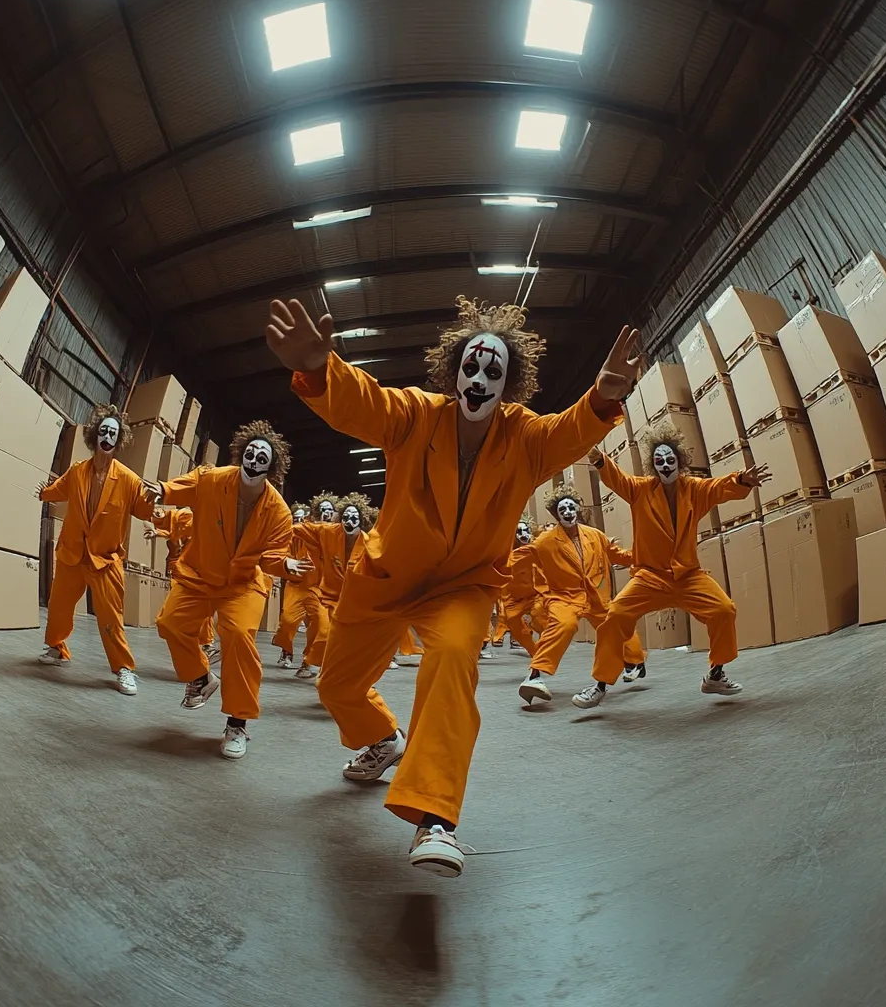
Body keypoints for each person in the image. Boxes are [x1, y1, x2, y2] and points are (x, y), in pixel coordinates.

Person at [265, 294, 639, 877]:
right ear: (453, 370)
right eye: (472, 365)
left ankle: (436, 822)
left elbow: (572, 431)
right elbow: (364, 404)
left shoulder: (526, 438)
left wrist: (605, 396)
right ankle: (382, 738)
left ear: (509, 382)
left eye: (494, 370)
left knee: (452, 656)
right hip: (385, 580)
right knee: (337, 687)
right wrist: (320, 369)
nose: (481, 377)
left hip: (464, 587)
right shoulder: (416, 415)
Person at [574, 424, 770, 710]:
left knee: (723, 610)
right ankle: (600, 684)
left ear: (680, 461)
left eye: (669, 460)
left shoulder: (694, 489)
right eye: (659, 462)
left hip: (688, 576)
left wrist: (742, 479)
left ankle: (715, 675)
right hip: (650, 577)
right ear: (653, 467)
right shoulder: (640, 490)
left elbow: (718, 487)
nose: (665, 465)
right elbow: (617, 479)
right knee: (614, 616)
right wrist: (598, 458)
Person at [150, 421, 304, 760]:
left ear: (271, 466)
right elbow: (186, 486)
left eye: (262, 456)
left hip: (243, 584)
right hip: (201, 574)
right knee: (170, 623)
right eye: (250, 452)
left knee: (237, 634)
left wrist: (285, 567)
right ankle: (201, 677)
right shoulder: (215, 479)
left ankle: (238, 722)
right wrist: (163, 491)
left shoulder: (278, 510)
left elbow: (275, 555)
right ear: (241, 454)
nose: (254, 458)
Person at [36, 404, 153, 696]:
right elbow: (58, 489)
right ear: (95, 435)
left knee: (111, 619)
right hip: (73, 554)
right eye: (104, 430)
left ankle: (124, 669)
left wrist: (163, 510)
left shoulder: (128, 479)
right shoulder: (78, 471)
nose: (108, 436)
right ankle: (56, 648)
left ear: (119, 439)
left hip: (105, 559)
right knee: (59, 606)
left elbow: (144, 508)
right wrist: (43, 493)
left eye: (113, 432)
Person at [511, 485, 645, 705]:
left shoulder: (595, 535)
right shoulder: (545, 541)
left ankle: (634, 661)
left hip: (595, 597)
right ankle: (535, 676)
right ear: (556, 514)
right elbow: (519, 558)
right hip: (565, 597)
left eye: (571, 507)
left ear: (577, 509)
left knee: (616, 622)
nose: (567, 512)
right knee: (563, 625)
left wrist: (645, 555)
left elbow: (618, 556)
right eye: (562, 509)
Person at [294, 491, 376, 674]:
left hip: (354, 603)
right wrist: (280, 522)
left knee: (353, 643)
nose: (350, 520)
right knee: (323, 633)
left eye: (355, 517)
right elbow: (300, 529)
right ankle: (322, 668)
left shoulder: (370, 544)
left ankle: (354, 679)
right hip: (326, 597)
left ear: (362, 520)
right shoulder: (329, 531)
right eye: (346, 516)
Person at [146, 505, 218, 663]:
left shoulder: (198, 520)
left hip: (196, 573)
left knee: (202, 609)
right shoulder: (175, 520)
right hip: (177, 571)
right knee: (168, 619)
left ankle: (206, 645)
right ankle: (200, 647)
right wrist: (155, 531)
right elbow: (160, 526)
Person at [271, 502, 323, 676]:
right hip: (296, 586)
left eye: (303, 517)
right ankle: (286, 649)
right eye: (296, 518)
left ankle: (308, 661)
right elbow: (279, 557)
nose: (300, 521)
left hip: (317, 588)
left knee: (320, 624)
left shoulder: (323, 534)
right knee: (287, 622)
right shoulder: (289, 536)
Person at [499, 515, 542, 656]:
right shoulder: (507, 553)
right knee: (512, 621)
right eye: (519, 532)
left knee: (541, 619)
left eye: (526, 530)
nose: (523, 534)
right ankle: (534, 652)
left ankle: (544, 650)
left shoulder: (541, 547)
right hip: (514, 597)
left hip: (537, 595)